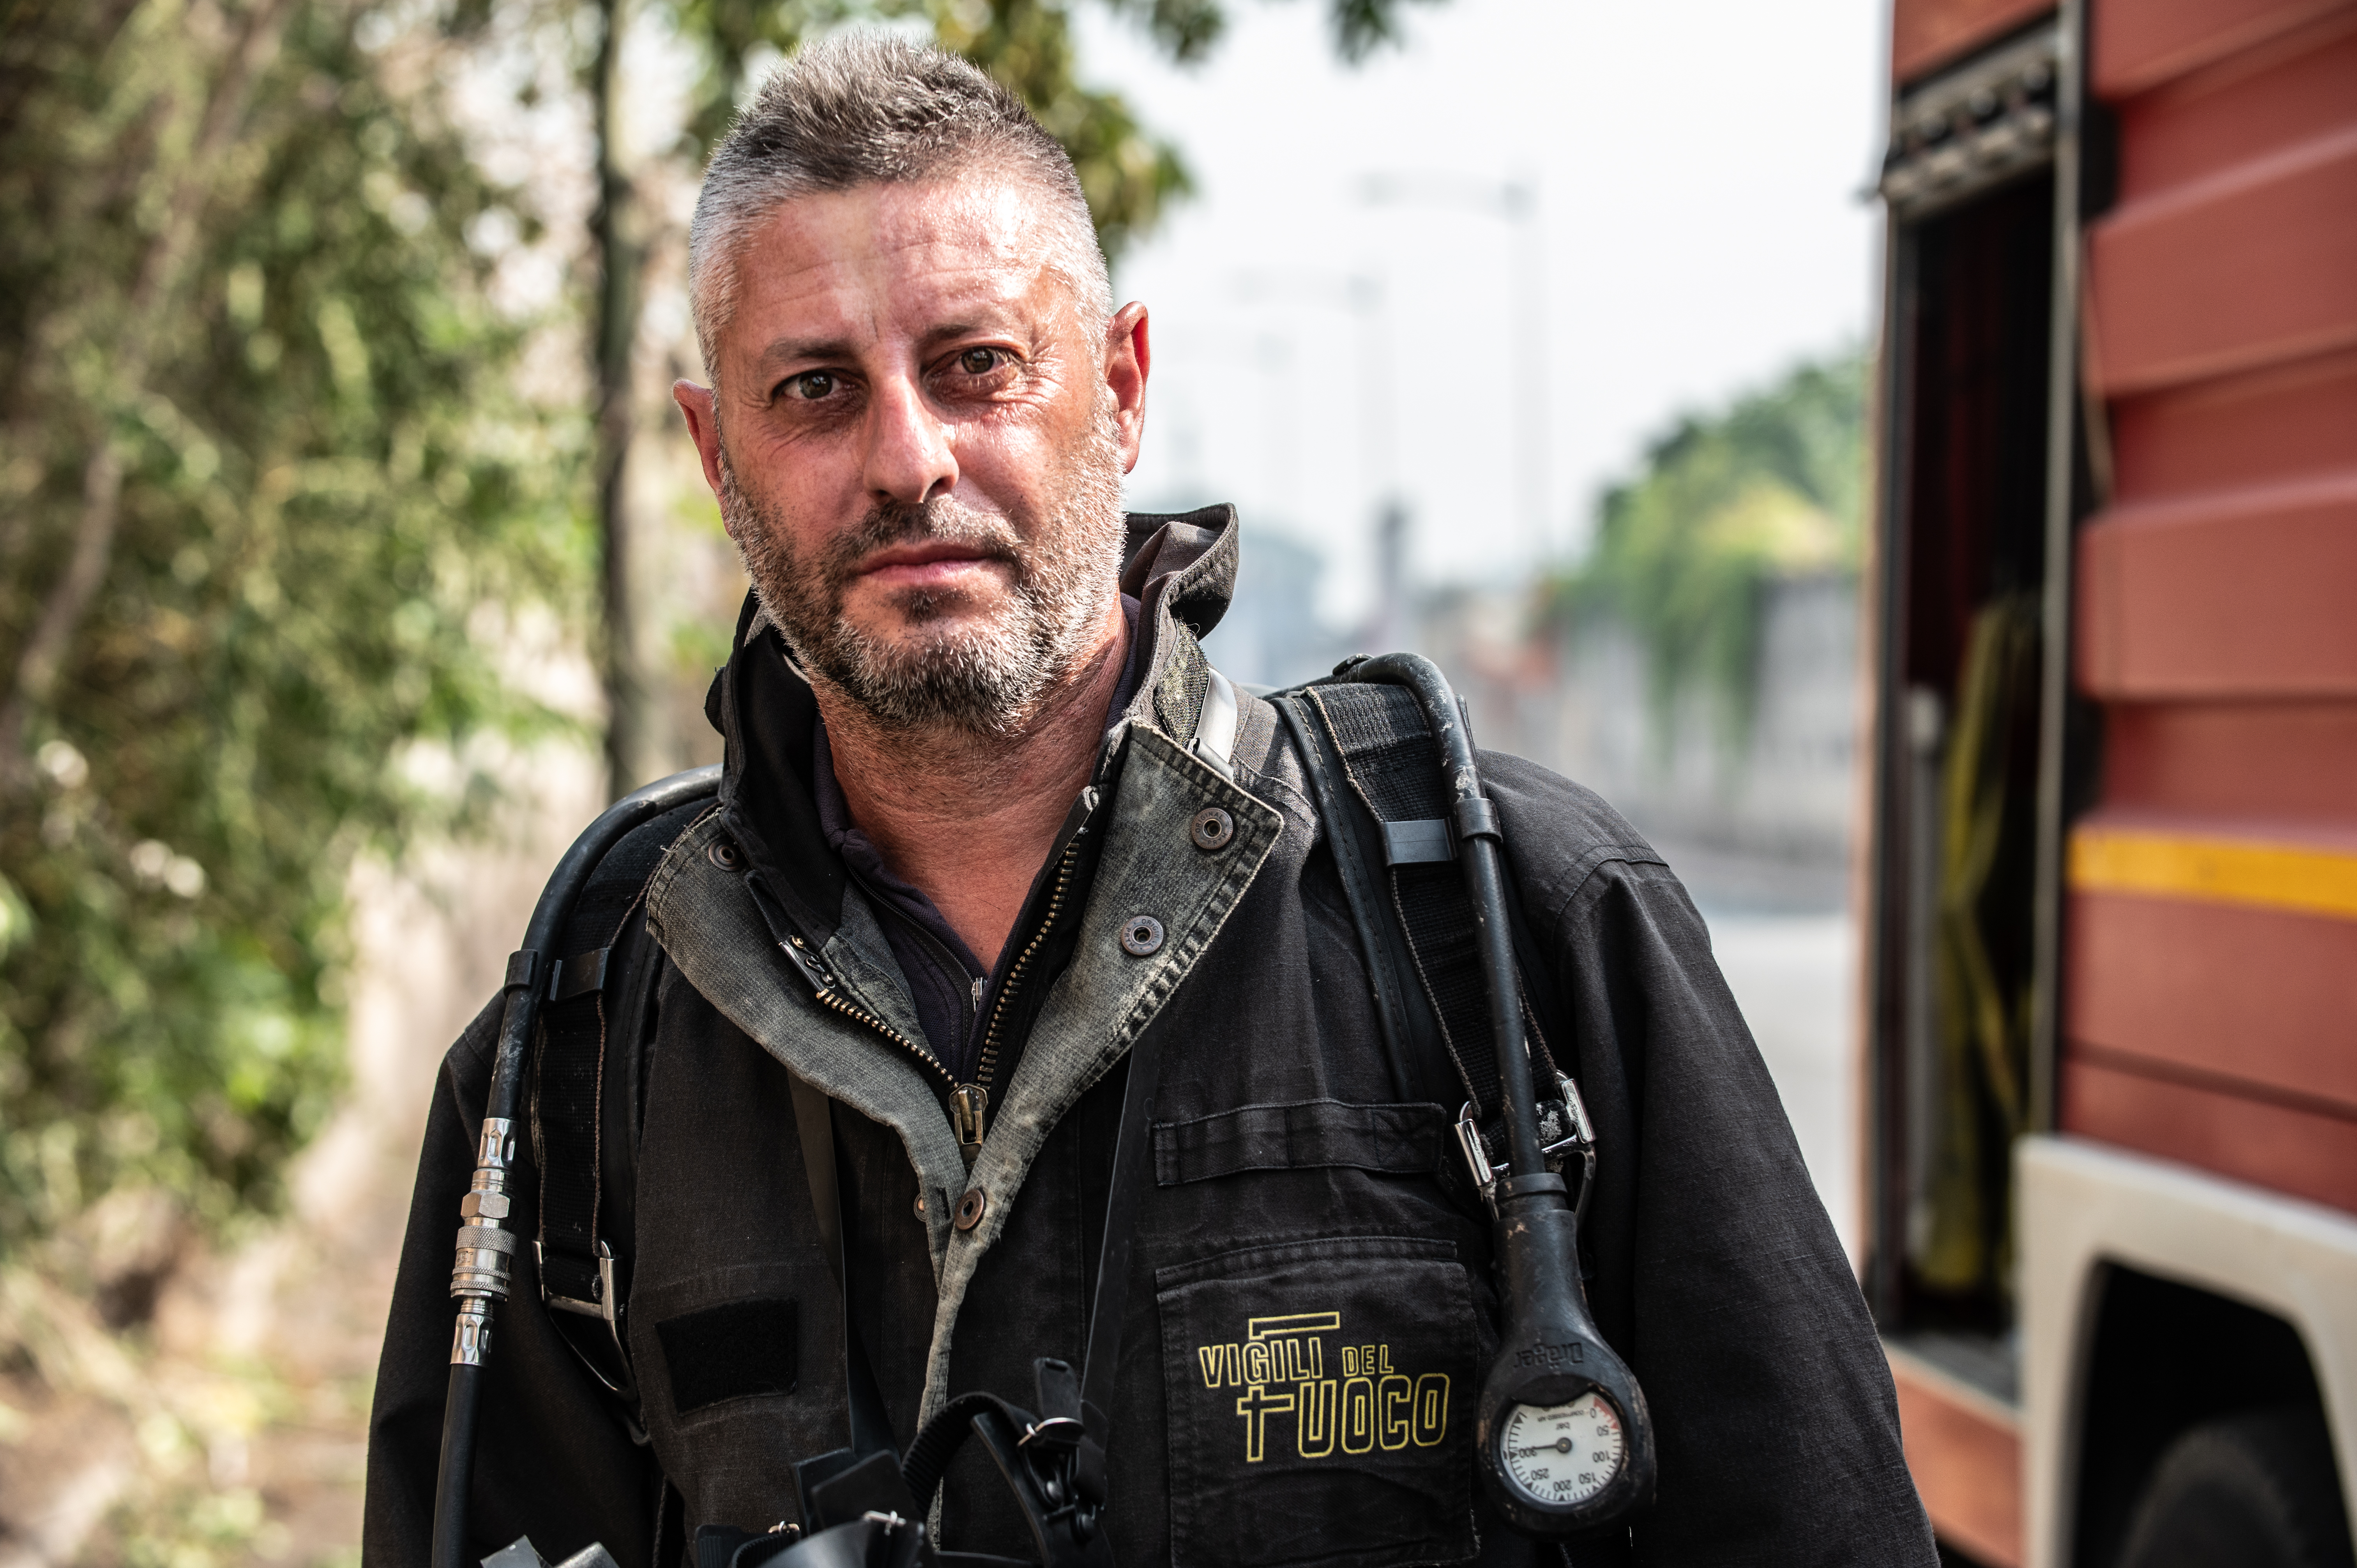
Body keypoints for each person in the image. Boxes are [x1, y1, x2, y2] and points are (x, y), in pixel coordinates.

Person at [365, 33, 1936, 1568]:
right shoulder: (577, 1049)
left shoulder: (1524, 927)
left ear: (1120, 387)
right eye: (814, 390)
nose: (909, 459)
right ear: (719, 455)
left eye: (975, 365)